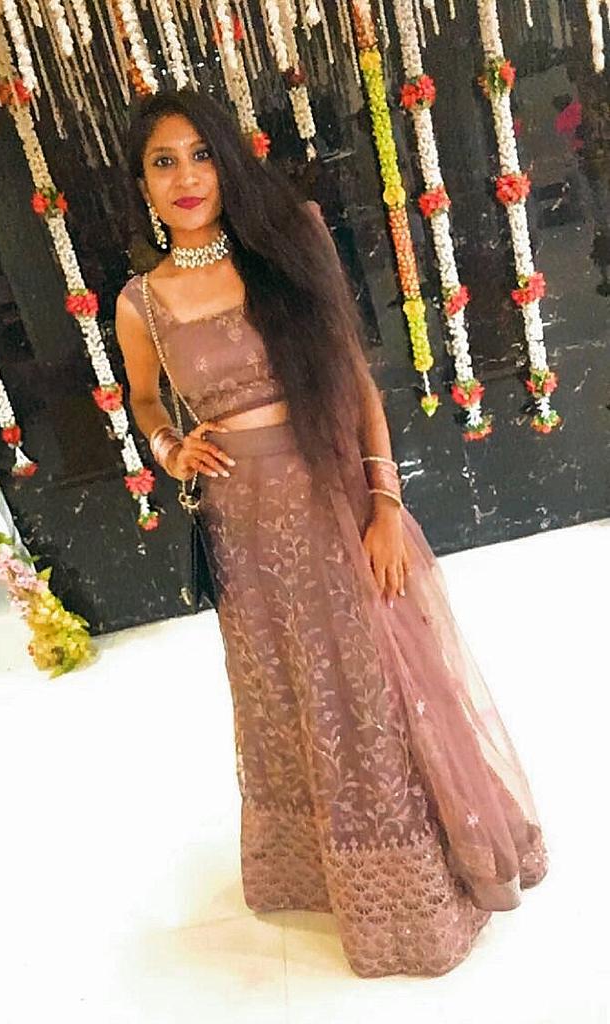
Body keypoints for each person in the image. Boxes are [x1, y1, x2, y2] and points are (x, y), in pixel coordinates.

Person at [114, 88, 548, 979]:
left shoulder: (287, 247)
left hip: (330, 499)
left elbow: (352, 380)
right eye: (163, 162)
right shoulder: (141, 303)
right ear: (142, 185)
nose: (186, 177)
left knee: (375, 685)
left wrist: (383, 507)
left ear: (226, 165)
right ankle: (325, 872)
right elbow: (146, 400)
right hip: (242, 528)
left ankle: (426, 879)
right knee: (287, 694)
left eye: (201, 155)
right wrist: (168, 448)